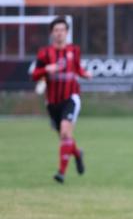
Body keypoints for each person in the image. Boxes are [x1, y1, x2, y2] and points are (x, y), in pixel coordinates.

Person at [32, 16, 91, 184]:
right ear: (52, 33)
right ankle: (78, 154)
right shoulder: (45, 53)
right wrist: (46, 69)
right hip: (52, 102)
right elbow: (34, 75)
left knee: (65, 132)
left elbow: (78, 68)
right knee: (65, 138)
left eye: (62, 30)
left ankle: (61, 173)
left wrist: (85, 74)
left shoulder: (74, 50)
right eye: (56, 30)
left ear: (67, 32)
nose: (59, 33)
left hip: (71, 98)